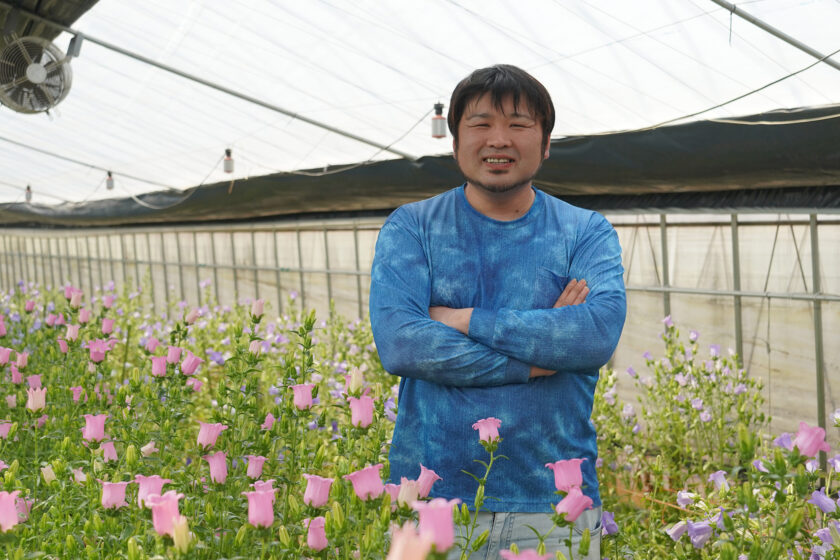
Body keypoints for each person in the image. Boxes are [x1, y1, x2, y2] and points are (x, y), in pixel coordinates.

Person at [369, 64, 626, 559]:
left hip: (556, 505)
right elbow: (402, 344)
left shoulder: (585, 232)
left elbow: (594, 335)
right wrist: (534, 360)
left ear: (545, 144)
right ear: (455, 142)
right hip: (431, 497)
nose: (499, 139)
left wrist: (464, 319)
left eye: (518, 124)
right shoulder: (412, 228)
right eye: (481, 124)